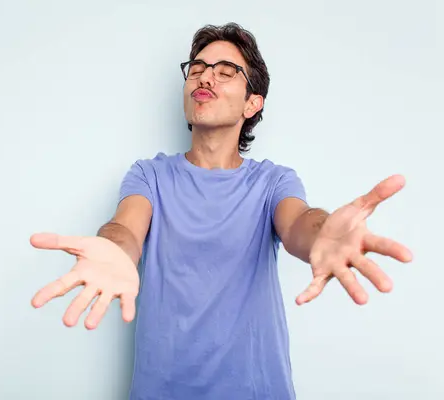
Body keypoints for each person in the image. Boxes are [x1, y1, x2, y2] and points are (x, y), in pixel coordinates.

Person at [29, 22, 413, 400]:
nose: (204, 78)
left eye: (225, 71)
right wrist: (113, 248)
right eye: (196, 70)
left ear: (253, 102)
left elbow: (300, 222)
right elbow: (124, 229)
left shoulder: (272, 182)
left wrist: (324, 230)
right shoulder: (150, 175)